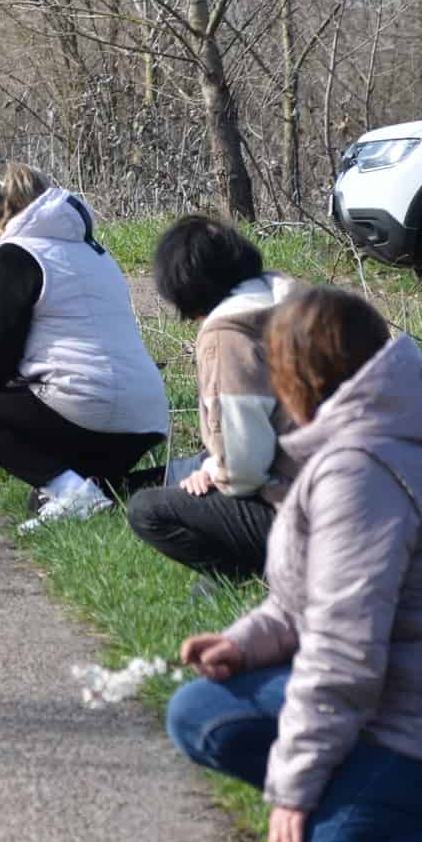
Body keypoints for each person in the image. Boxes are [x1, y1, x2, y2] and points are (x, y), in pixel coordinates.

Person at [168, 287, 422, 842]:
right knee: (200, 710)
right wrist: (243, 643)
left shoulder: (361, 471)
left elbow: (345, 650)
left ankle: (397, 810)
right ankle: (365, 799)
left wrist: (294, 792)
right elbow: (307, 605)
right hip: (402, 680)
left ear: (299, 378)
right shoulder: (383, 438)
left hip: (421, 719)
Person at [0, 162, 169, 520]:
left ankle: (76, 494)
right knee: (49, 495)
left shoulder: (17, 254)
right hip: (146, 414)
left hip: (87, 406)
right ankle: (172, 478)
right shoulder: (94, 251)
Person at [125, 218, 299, 581]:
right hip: (378, 501)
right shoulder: (303, 303)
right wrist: (212, 466)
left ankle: (252, 576)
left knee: (148, 509)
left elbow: (243, 472)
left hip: (311, 517)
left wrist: (215, 473)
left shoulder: (228, 335)